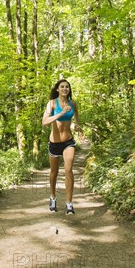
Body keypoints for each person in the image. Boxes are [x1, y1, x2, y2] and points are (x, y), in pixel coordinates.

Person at [42, 79, 82, 214]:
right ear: (57, 89)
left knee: (68, 171)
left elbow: (76, 117)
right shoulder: (52, 104)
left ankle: (69, 203)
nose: (65, 88)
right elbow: (44, 122)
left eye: (67, 87)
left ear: (69, 90)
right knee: (54, 173)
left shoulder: (73, 104)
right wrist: (60, 113)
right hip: (54, 143)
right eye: (62, 86)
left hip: (68, 142)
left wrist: (77, 125)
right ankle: (53, 197)